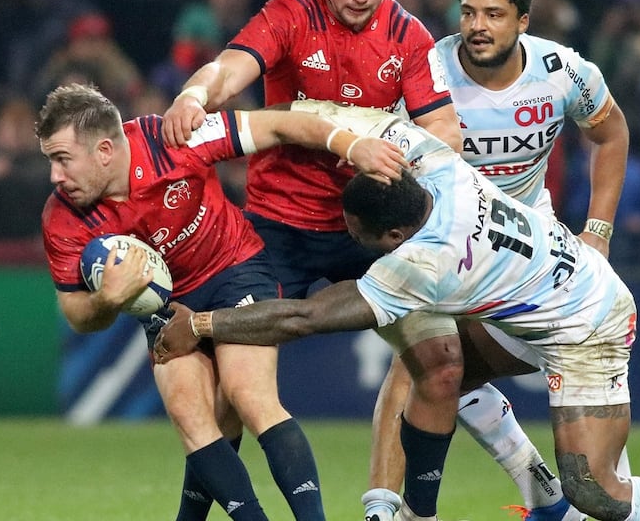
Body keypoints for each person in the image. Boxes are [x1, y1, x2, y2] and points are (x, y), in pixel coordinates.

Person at [154, 100, 640, 521]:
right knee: (436, 369)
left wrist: (201, 324)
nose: (360, 247)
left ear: (396, 234)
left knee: (593, 490)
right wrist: (274, 121)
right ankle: (421, 513)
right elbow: (350, 117)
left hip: (590, 324)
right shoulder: (433, 163)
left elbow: (303, 317)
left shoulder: (423, 264)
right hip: (545, 295)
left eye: (365, 239)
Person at [160, 0, 561, 520]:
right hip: (280, 226)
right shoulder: (293, 12)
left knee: (443, 363)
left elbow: (444, 130)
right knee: (234, 392)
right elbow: (232, 66)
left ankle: (417, 513)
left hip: (374, 231)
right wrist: (195, 95)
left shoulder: (407, 34)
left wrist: (402, 152)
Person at [39, 84, 404, 520]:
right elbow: (77, 315)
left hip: (235, 269)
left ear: (103, 150)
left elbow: (281, 123)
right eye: (51, 161)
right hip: (166, 303)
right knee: (193, 419)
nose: (55, 176)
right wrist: (107, 299)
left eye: (62, 159)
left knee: (248, 396)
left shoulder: (172, 140)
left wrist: (354, 144)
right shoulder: (63, 217)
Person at [369, 0, 632, 521]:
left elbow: (611, 134)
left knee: (583, 353)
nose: (478, 25)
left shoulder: (565, 73)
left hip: (526, 241)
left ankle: (584, 494)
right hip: (441, 240)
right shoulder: (424, 71)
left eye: (493, 14)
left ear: (524, 23)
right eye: (468, 12)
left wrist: (599, 230)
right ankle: (393, 509)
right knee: (425, 365)